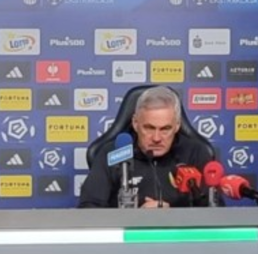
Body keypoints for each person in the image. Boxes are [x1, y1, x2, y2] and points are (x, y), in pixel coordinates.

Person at [77, 85, 216, 208]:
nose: (156, 138)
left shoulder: (195, 153)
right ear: (135, 123)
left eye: (165, 129)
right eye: (149, 128)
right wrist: (137, 218)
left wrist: (173, 216)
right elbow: (89, 209)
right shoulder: (113, 153)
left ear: (177, 125)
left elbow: (213, 211)